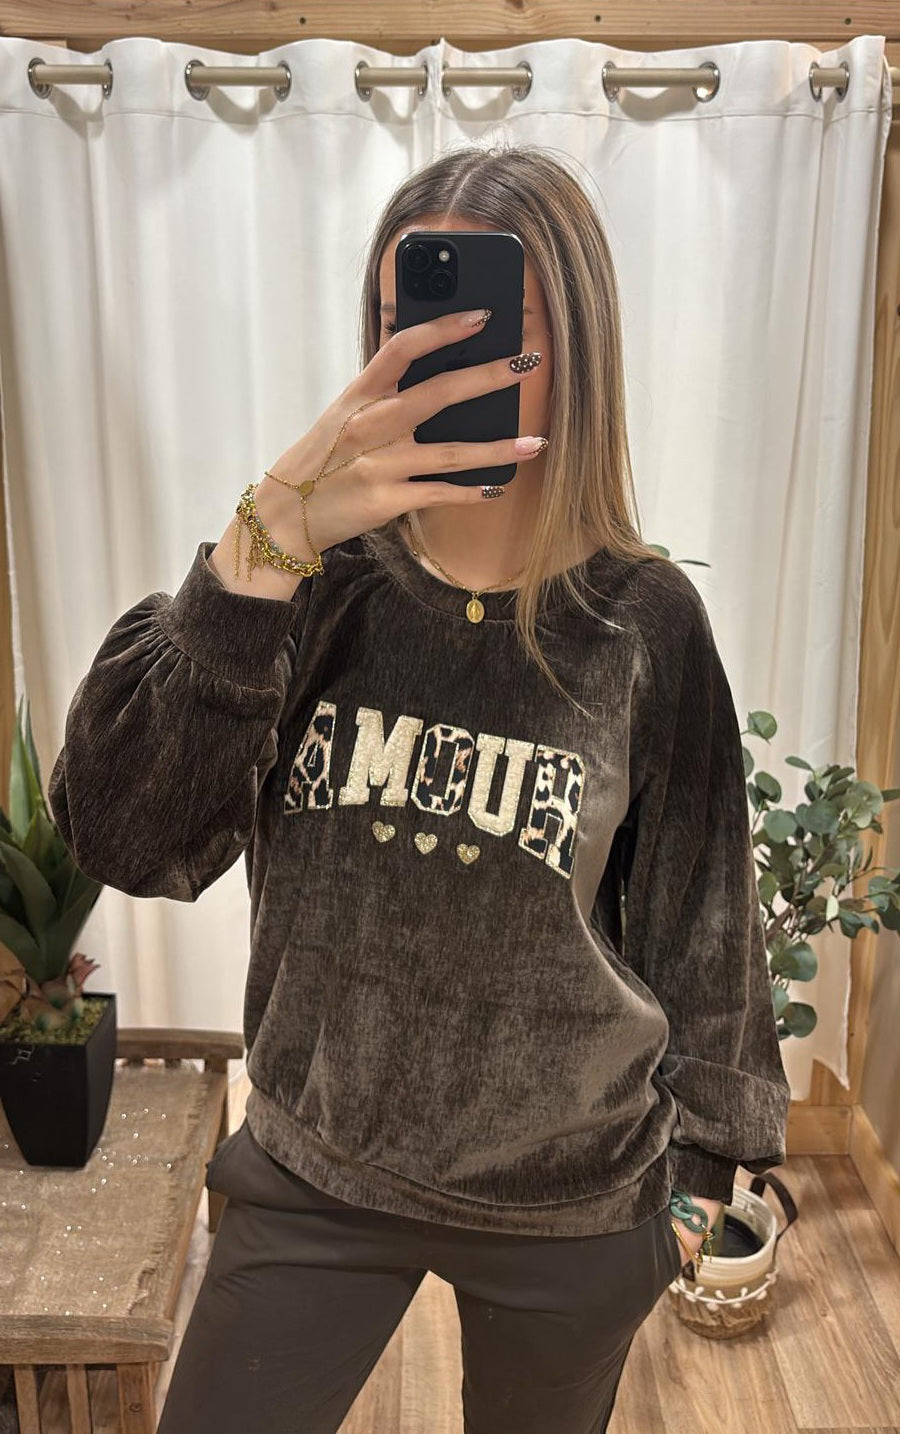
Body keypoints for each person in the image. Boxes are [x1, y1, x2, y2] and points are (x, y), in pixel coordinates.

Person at [48, 142, 791, 1434]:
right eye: (411, 327)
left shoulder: (644, 620)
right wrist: (263, 541)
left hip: (571, 1203)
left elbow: (706, 918)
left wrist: (695, 1193)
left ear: (577, 351)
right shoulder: (307, 584)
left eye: (495, 333)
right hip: (314, 1170)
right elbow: (125, 831)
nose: (447, 363)